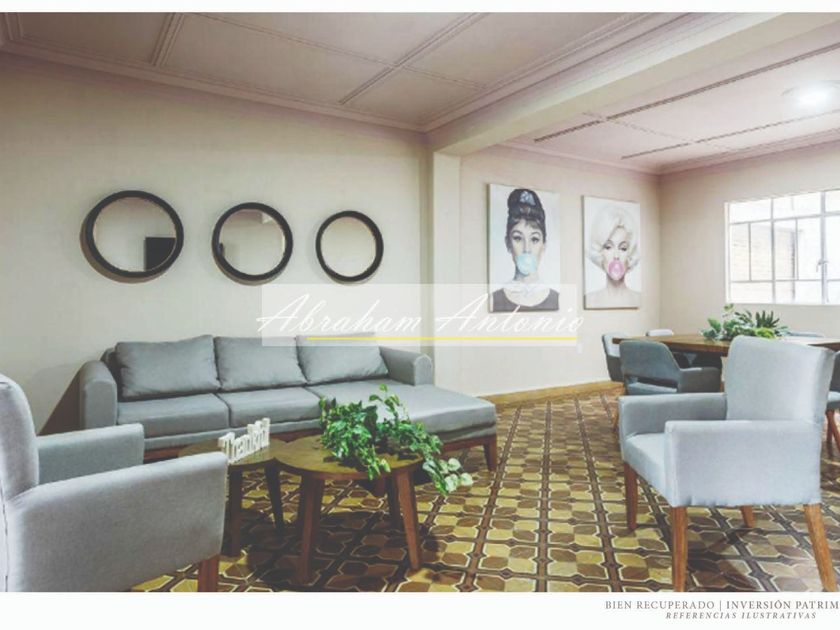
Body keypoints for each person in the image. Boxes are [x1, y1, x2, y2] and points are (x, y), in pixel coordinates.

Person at [491, 188, 559, 312]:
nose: (527, 249)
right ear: (508, 244)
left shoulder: (558, 300)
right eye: (518, 238)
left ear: (544, 245)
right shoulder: (493, 300)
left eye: (534, 239)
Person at [584, 204, 641, 309]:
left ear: (630, 253)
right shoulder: (589, 300)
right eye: (608, 247)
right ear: (600, 251)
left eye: (623, 248)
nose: (616, 256)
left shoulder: (639, 299)